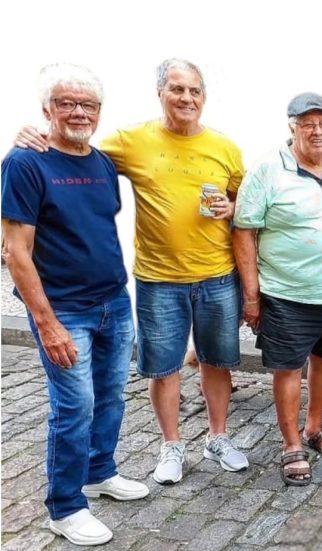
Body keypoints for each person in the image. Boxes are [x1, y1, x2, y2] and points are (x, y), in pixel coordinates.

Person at [14, 58, 249, 485]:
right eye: (177, 89)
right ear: (160, 93)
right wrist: (30, 135)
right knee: (164, 367)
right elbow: (74, 151)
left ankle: (218, 437)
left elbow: (245, 205)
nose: (186, 98)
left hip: (217, 275)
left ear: (204, 97)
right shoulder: (131, 141)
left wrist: (232, 208)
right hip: (159, 279)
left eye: (194, 91)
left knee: (217, 362)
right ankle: (171, 445)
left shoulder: (225, 147)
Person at [1, 64, 149, 546]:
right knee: (75, 406)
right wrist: (46, 324)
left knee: (110, 396)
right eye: (66, 103)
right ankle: (64, 506)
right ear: (47, 109)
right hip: (65, 311)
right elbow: (15, 251)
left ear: (100, 112)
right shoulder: (26, 163)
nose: (78, 112)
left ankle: (100, 472)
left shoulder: (103, 164)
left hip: (113, 302)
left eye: (88, 105)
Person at [233, 93, 322, 485]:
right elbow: (244, 231)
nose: (318, 131)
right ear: (292, 128)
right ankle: (291, 443)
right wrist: (251, 296)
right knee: (288, 369)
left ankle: (314, 428)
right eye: (308, 124)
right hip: (287, 293)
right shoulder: (267, 169)